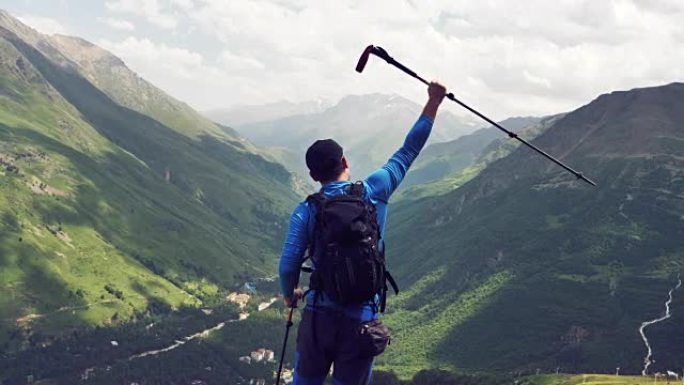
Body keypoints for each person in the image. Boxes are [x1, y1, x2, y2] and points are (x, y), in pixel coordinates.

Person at [278, 81, 447, 385]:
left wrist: (290, 295)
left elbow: (288, 264)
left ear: (314, 176)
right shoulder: (375, 190)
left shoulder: (306, 211)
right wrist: (434, 101)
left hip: (319, 317)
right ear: (345, 162)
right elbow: (409, 150)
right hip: (361, 320)